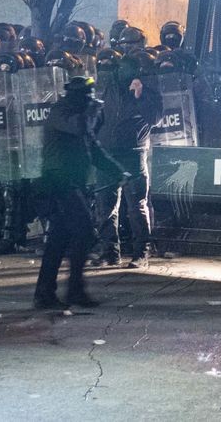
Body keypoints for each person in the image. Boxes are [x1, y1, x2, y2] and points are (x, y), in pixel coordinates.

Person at [35, 76, 125, 309]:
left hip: (73, 183)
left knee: (58, 240)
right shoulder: (61, 112)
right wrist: (92, 110)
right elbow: (80, 128)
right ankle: (71, 290)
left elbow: (93, 149)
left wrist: (117, 172)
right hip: (59, 183)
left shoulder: (80, 114)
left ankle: (47, 293)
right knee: (84, 232)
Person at [96, 54, 162, 266]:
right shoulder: (109, 88)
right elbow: (100, 116)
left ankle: (142, 252)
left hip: (134, 153)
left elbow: (155, 119)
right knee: (105, 205)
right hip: (107, 153)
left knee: (136, 205)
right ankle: (110, 253)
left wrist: (140, 95)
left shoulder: (148, 90)